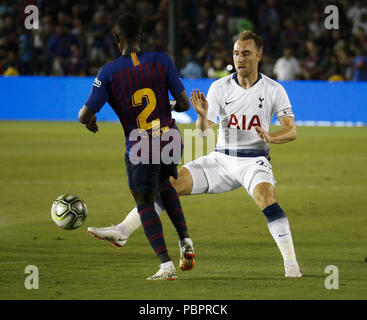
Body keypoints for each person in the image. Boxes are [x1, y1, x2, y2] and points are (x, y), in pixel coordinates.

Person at [89, 30, 302, 278]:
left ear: (259, 56)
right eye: (236, 53)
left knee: (266, 198)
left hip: (253, 160)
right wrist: (202, 116)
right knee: (168, 185)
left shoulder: (274, 89)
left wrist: (271, 136)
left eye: (245, 53)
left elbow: (291, 130)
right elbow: (203, 133)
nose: (239, 58)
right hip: (221, 159)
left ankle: (291, 266)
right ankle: (123, 230)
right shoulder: (220, 87)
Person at [78, 13, 195, 280]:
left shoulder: (108, 73)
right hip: (170, 138)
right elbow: (184, 105)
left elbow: (84, 114)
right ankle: (185, 241)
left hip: (141, 144)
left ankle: (166, 265)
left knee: (144, 201)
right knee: (165, 185)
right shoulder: (162, 60)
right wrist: (169, 106)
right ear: (141, 37)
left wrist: (89, 120)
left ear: (116, 38)